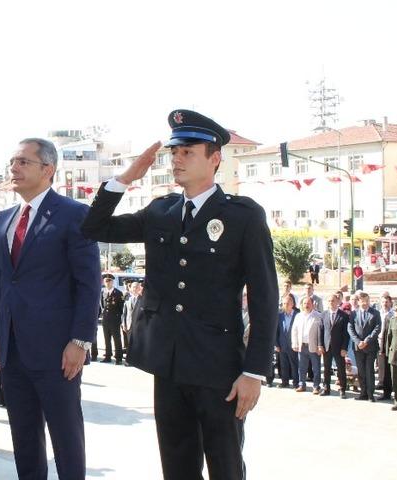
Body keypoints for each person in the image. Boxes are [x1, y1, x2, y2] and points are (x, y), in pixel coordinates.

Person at [81, 110, 278, 479]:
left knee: (226, 466)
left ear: (214, 158)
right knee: (177, 467)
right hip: (168, 364)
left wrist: (254, 372)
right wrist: (125, 179)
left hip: (219, 368)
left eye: (188, 151)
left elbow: (266, 297)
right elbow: (94, 227)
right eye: (174, 152)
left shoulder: (243, 216)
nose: (176, 159)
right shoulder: (162, 210)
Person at [0, 137, 100, 480]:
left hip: (57, 350)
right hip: (12, 349)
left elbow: (88, 284)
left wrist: (80, 341)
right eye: (12, 163)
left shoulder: (74, 214)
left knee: (66, 437)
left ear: (48, 169)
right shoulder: (3, 220)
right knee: (24, 438)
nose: (13, 169)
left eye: (22, 162)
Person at [348, 291, 381, 401]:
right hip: (358, 348)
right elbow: (350, 329)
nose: (365, 303)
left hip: (370, 347)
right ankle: (363, 393)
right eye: (363, 301)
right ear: (358, 301)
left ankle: (370, 394)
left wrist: (366, 341)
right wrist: (358, 342)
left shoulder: (375, 313)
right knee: (361, 371)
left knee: (369, 370)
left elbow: (377, 328)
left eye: (367, 301)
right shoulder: (353, 314)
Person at [319, 293, 350, 397]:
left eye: (333, 301)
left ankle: (342, 389)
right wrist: (320, 345)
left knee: (341, 369)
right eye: (329, 301)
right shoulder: (323, 315)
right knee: (326, 369)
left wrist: (344, 348)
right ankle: (326, 388)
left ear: (338, 302)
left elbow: (346, 334)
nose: (331, 303)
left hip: (339, 347)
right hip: (327, 346)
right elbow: (321, 331)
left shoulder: (344, 316)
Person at [291, 296, 322, 394]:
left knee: (316, 368)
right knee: (302, 367)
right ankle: (302, 384)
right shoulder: (298, 316)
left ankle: (316, 386)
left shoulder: (318, 316)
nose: (306, 305)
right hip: (302, 345)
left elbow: (321, 332)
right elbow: (294, 330)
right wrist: (294, 343)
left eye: (308, 303)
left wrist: (320, 346)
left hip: (314, 346)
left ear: (313, 304)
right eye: (304, 303)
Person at [99, 273, 125, 364]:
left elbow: (121, 308)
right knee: (107, 338)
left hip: (115, 319)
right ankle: (108, 356)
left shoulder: (118, 293)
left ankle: (118, 358)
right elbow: (102, 305)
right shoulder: (103, 292)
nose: (108, 283)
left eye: (109, 281)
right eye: (106, 281)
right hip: (105, 319)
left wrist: (118, 318)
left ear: (112, 282)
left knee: (116, 339)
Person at [275, 294, 299, 388]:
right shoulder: (279, 315)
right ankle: (284, 382)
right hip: (282, 344)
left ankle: (296, 383)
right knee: (283, 364)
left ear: (292, 304)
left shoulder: (298, 315)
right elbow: (276, 331)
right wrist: (276, 344)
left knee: (294, 365)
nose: (285, 305)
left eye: (288, 303)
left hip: (294, 345)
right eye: (284, 303)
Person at [376, 293, 394, 401]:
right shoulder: (378, 314)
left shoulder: (393, 315)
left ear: (390, 303)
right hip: (378, 342)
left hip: (389, 344)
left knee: (388, 368)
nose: (385, 304)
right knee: (380, 366)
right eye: (383, 302)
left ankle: (389, 390)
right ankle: (381, 383)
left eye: (387, 302)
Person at [121, 281, 143, 367]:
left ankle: (138, 361)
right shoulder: (128, 299)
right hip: (129, 324)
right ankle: (129, 361)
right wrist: (124, 324)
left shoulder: (142, 299)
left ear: (139, 288)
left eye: (136, 287)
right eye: (133, 287)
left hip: (139, 325)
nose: (134, 289)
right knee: (129, 344)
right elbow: (124, 313)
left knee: (138, 344)